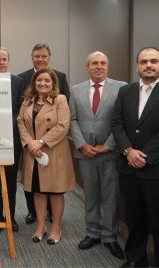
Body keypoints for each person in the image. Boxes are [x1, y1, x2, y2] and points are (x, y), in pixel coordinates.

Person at [111, 47, 159, 267]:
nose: (148, 65)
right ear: (137, 66)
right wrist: (128, 151)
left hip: (155, 169)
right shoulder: (126, 92)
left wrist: (144, 156)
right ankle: (136, 258)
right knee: (133, 218)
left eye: (154, 61)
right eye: (144, 61)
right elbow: (117, 124)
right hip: (128, 167)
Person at [69, 51, 126, 259]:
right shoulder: (75, 90)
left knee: (110, 196)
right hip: (86, 153)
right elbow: (72, 120)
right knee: (90, 195)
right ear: (87, 67)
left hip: (110, 152)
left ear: (107, 67)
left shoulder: (121, 88)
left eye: (103, 63)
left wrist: (109, 145)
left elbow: (122, 119)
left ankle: (110, 236)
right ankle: (92, 232)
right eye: (94, 63)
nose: (99, 66)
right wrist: (82, 145)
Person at [17, 67, 75, 245]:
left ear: (53, 84)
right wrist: (29, 143)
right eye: (39, 80)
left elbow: (63, 126)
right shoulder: (28, 100)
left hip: (53, 152)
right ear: (34, 83)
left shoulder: (60, 99)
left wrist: (40, 142)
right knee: (38, 190)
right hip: (33, 153)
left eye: (47, 81)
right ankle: (41, 226)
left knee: (55, 191)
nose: (42, 83)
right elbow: (20, 121)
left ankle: (55, 228)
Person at [0, 47, 25, 232]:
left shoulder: (18, 82)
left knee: (10, 181)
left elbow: (21, 109)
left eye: (4, 59)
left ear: (8, 62)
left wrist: (5, 124)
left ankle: (11, 217)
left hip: (12, 140)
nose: (1, 62)